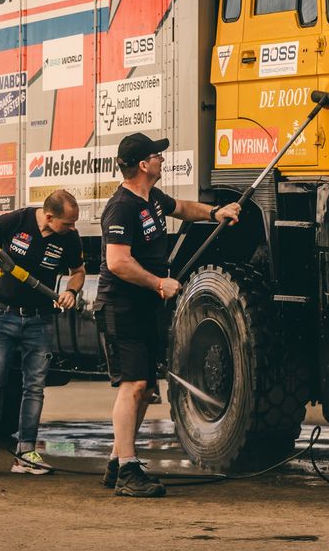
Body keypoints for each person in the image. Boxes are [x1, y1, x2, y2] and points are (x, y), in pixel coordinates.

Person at [96, 132, 240, 497]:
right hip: (121, 306)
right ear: (143, 165)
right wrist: (159, 283)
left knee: (145, 389)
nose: (163, 158)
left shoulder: (153, 198)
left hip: (144, 306)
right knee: (135, 385)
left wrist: (214, 212)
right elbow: (117, 262)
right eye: (157, 155)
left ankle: (117, 461)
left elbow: (182, 208)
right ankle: (129, 472)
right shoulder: (122, 207)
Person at [0, 190, 86, 475]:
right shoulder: (18, 220)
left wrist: (71, 290)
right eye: (67, 223)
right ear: (49, 217)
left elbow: (78, 271)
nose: (72, 228)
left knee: (34, 387)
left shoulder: (68, 238)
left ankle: (26, 453)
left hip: (40, 320)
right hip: (2, 314)